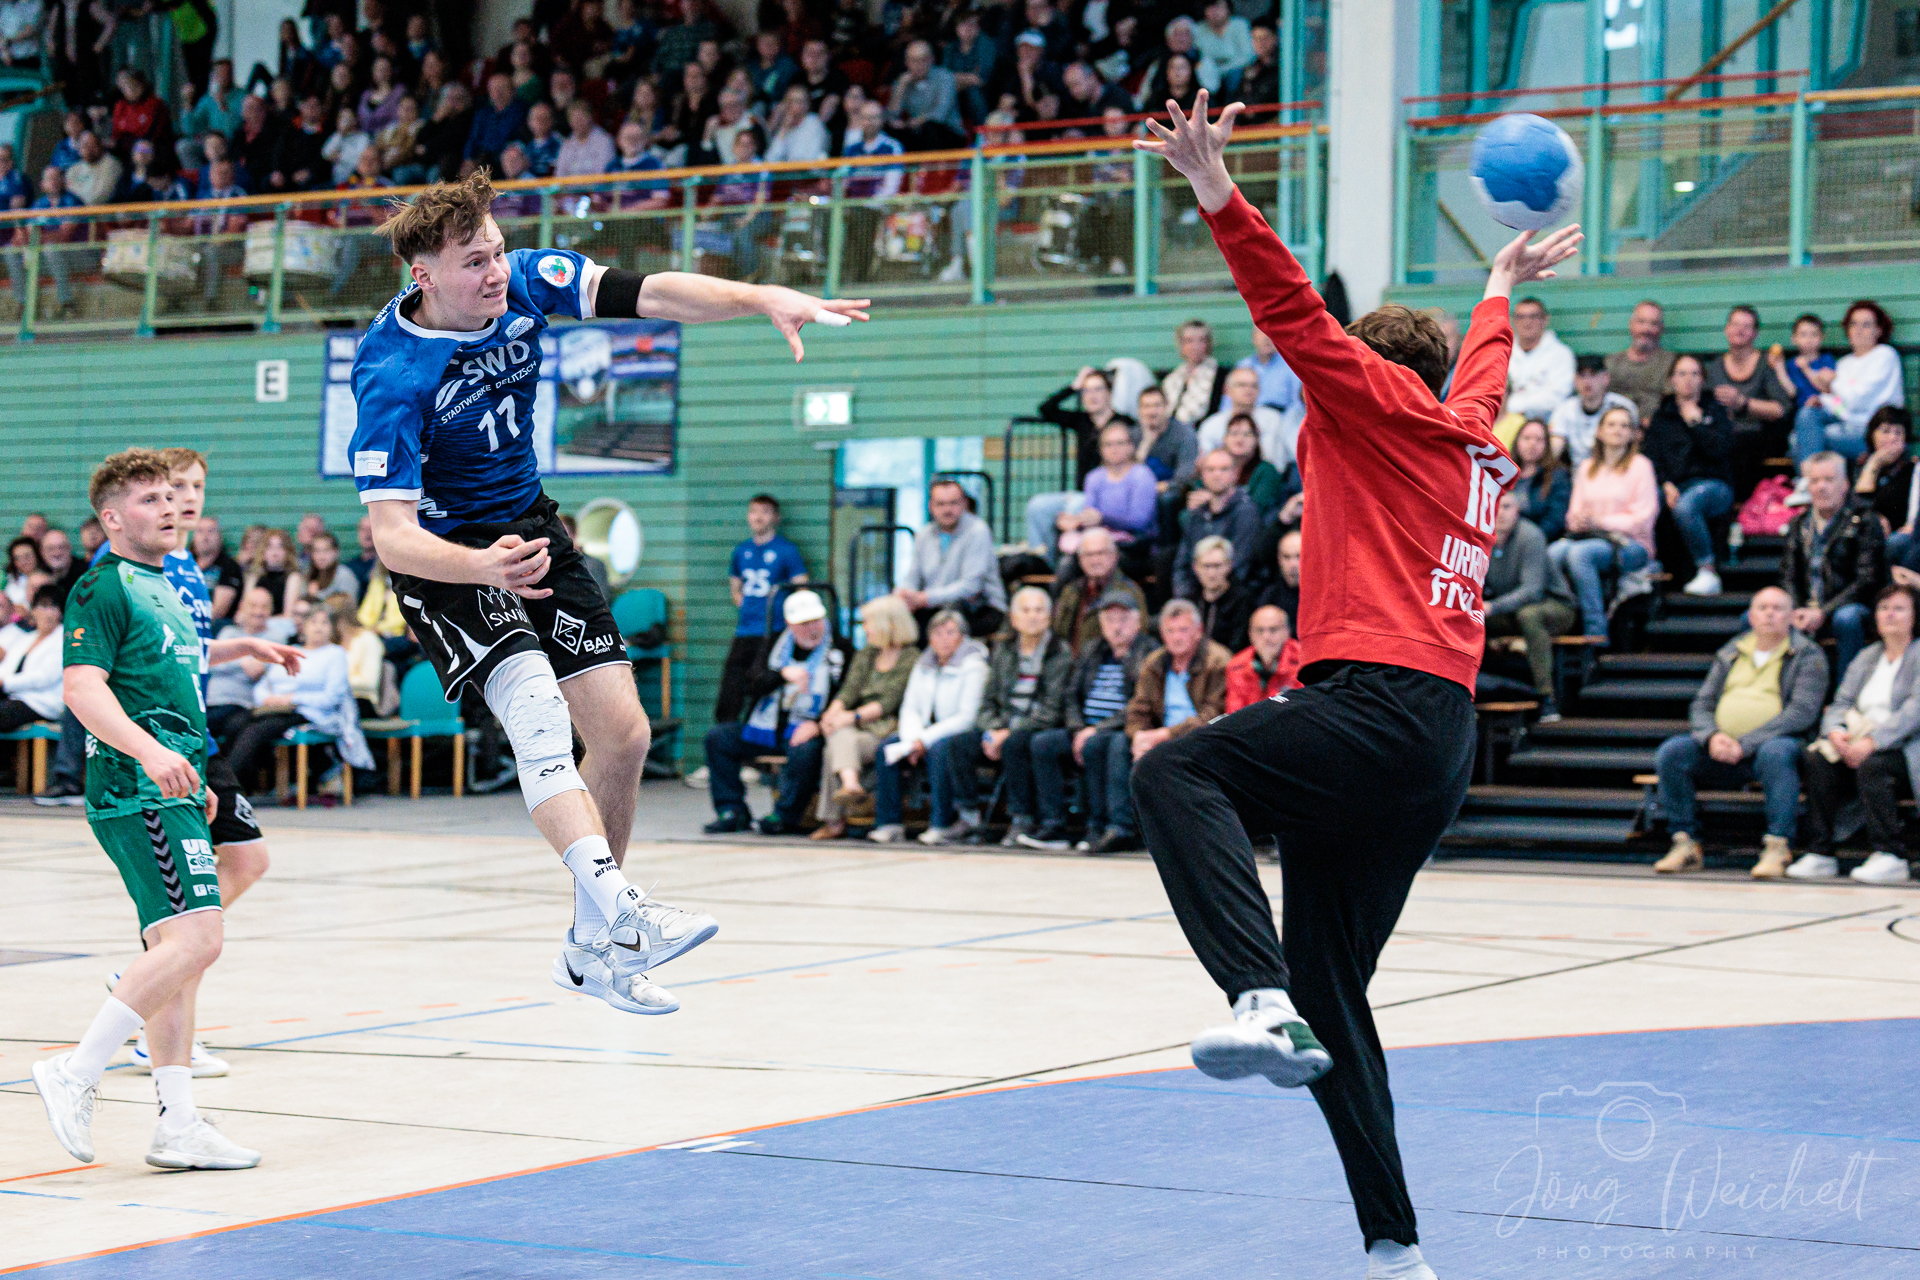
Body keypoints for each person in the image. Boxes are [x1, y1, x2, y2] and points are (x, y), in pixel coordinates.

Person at [1129, 92, 1578, 1280]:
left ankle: (1251, 992)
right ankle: (1395, 1246)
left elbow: (1289, 310)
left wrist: (1216, 189)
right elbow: (1485, 368)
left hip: (1372, 703)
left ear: (1369, 379)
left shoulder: (1369, 402)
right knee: (1339, 1003)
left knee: (1176, 765)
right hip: (1434, 751)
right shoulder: (1469, 432)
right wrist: (1499, 282)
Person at [351, 171, 865, 1015]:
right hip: (448, 556)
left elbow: (652, 292)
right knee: (538, 718)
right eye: (474, 261)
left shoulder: (523, 282)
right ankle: (626, 914)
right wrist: (484, 570)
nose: (495, 271)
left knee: (623, 736)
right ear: (424, 277)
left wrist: (758, 294)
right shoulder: (391, 372)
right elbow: (393, 534)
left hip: (530, 523)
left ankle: (593, 950)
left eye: (498, 251)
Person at [31, 450, 287, 1173]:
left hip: (176, 787)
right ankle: (74, 1070)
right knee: (198, 941)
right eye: (149, 500)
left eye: (173, 498)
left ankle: (178, 1125)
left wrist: (197, 775)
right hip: (132, 789)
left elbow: (176, 692)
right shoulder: (103, 588)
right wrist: (149, 755)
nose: (169, 508)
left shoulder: (166, 587)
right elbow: (83, 689)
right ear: (112, 517)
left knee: (176, 957)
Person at [1652, 586, 1826, 880]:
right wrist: (1711, 737)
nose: (1769, 613)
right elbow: (1702, 704)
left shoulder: (1808, 655)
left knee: (1777, 752)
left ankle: (1777, 846)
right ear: (1751, 615)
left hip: (1772, 745)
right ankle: (1685, 844)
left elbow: (1801, 713)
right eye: (1762, 607)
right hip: (1723, 746)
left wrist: (1745, 744)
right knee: (1673, 752)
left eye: (1778, 608)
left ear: (1793, 616)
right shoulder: (1732, 651)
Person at [1794, 584, 1920, 886]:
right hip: (1857, 741)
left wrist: (1874, 742)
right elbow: (1841, 703)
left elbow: (1915, 711)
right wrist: (1836, 732)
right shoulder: (1867, 656)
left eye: (1899, 608)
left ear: (1915, 616)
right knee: (1815, 758)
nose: (1889, 614)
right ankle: (1821, 852)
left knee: (1875, 764)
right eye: (1883, 608)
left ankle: (1890, 854)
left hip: (1905, 747)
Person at [703, 590, 845, 836]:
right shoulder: (773, 645)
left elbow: (846, 695)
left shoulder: (841, 649)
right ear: (790, 624)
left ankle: (785, 816)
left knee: (806, 750)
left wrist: (819, 724)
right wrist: (781, 676)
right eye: (803, 623)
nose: (812, 628)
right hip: (765, 728)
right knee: (718, 738)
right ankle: (732, 810)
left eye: (816, 621)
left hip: (809, 728)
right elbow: (751, 684)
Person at [1022, 589, 1156, 851]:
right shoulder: (1092, 649)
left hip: (1121, 728)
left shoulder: (1148, 653)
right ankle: (1053, 825)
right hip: (1085, 728)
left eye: (1123, 619)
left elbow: (1139, 703)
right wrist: (1078, 728)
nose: (1116, 627)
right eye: (1109, 620)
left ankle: (1100, 826)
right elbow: (1071, 694)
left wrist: (1095, 730)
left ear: (1137, 622)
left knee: (1100, 745)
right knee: (1042, 743)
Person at [868, 609, 990, 844]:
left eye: (950, 632)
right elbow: (910, 707)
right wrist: (911, 740)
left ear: (962, 637)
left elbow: (967, 717)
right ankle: (889, 823)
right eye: (937, 633)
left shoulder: (975, 666)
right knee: (888, 748)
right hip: (922, 733)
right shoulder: (923, 663)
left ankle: (941, 824)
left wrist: (922, 741)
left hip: (959, 734)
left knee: (940, 750)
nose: (943, 639)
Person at [1119, 599, 1230, 852]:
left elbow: (1214, 713)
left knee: (1173, 755)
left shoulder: (1218, 660)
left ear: (1198, 631)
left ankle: (1184, 835)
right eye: (1170, 631)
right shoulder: (1155, 662)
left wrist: (1165, 735)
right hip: (1161, 734)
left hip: (1201, 735)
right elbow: (1138, 708)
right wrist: (1139, 736)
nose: (1176, 637)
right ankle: (1121, 827)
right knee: (1115, 746)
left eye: (1183, 630)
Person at [808, 594, 919, 839]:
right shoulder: (867, 654)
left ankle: (834, 820)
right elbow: (849, 690)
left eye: (869, 622)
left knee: (837, 742)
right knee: (837, 738)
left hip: (886, 729)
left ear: (890, 624)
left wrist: (847, 718)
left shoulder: (911, 657)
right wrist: (831, 714)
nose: (865, 628)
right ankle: (850, 785)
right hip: (856, 728)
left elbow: (888, 703)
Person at [978, 586, 1075, 846]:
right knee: (956, 744)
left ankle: (1024, 820)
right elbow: (987, 702)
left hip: (1039, 727)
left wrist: (1007, 733)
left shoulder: (1059, 652)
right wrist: (992, 730)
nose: (1032, 616)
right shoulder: (1003, 651)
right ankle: (965, 820)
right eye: (1026, 610)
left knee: (1019, 742)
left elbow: (1051, 711)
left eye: (1039, 610)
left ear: (1049, 616)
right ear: (1014, 617)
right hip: (1004, 727)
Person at [1782, 451, 1886, 684]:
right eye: (1815, 481)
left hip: (1849, 606)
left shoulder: (1864, 521)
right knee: (1754, 617)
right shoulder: (1798, 523)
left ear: (1845, 485)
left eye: (1828, 480)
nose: (1821, 487)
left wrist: (1823, 612)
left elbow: (1867, 579)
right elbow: (1788, 574)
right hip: (1806, 607)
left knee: (1846, 618)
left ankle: (1844, 692)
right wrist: (1796, 609)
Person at [1554, 406, 1657, 640]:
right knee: (1553, 553)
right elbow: (1573, 513)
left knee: (1580, 555)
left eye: (1624, 426)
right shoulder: (1587, 467)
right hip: (1589, 537)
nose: (1617, 430)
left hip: (1631, 544)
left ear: (1632, 434)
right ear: (1599, 432)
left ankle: (1596, 630)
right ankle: (1566, 619)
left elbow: (1643, 518)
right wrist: (1577, 521)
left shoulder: (1641, 466)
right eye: (1611, 424)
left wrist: (1599, 522)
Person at [1643, 354, 1735, 598]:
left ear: (1702, 379)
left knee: (1685, 506)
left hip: (1714, 485)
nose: (1688, 380)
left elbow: (1721, 451)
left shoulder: (1715, 411)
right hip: (1674, 484)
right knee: (1646, 504)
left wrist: (1697, 424)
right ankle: (1646, 568)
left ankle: (1707, 570)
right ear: (1672, 379)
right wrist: (1665, 484)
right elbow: (1650, 458)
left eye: (1695, 374)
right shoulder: (1662, 417)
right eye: (1682, 373)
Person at [1025, 366, 1139, 563]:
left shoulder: (1124, 423)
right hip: (1079, 492)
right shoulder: (1082, 421)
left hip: (1107, 495)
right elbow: (1046, 409)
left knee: (1076, 506)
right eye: (1086, 390)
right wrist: (1073, 386)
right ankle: (1044, 564)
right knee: (1037, 506)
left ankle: (1069, 563)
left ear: (1110, 393)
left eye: (1098, 389)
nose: (1091, 395)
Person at [1482, 490, 1577, 720]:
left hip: (1556, 607)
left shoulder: (1531, 536)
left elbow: (1532, 590)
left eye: (1507, 507)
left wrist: (1492, 607)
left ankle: (1547, 698)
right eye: (1495, 506)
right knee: (1471, 619)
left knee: (1529, 615)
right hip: (1510, 609)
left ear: (1518, 511)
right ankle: (1475, 691)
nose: (1500, 513)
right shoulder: (1481, 537)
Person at [717, 494, 809, 724]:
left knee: (761, 684)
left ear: (776, 517)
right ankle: (723, 738)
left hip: (774, 631)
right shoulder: (741, 551)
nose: (758, 517)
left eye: (765, 511)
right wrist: (745, 605)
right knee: (730, 689)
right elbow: (736, 586)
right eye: (754, 511)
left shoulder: (786, 550)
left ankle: (756, 744)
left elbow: (802, 588)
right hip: (745, 631)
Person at [1792, 300, 1904, 466]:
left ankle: (1808, 484)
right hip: (1845, 423)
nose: (1858, 330)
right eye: (1853, 324)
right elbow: (1841, 404)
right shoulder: (1845, 363)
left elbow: (1856, 400)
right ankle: (1814, 483)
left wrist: (1833, 382)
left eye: (1866, 325)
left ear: (1879, 330)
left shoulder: (1885, 355)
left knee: (1797, 441)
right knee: (1807, 414)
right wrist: (1822, 401)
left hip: (1872, 432)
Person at [895, 478, 1007, 640]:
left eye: (953, 503)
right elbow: (913, 578)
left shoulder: (978, 531)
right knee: (898, 620)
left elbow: (971, 587)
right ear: (931, 506)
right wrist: (904, 594)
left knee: (940, 624)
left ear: (964, 504)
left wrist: (925, 599)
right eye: (941, 504)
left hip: (980, 608)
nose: (947, 509)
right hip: (936, 607)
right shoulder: (924, 535)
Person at [1704, 305, 1793, 498]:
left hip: (1761, 434)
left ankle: (1742, 510)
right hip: (1725, 434)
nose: (1740, 330)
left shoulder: (1766, 363)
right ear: (1727, 329)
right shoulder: (1715, 367)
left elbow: (1781, 409)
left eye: (1746, 326)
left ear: (1755, 333)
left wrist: (1743, 403)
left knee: (1737, 447)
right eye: (1735, 324)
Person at [1173, 449, 1262, 596]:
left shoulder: (1246, 512)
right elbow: (1182, 564)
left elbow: (1241, 564)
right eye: (1210, 469)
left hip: (1232, 597)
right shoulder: (1196, 514)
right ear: (1202, 475)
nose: (1216, 474)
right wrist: (1184, 597)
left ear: (1236, 473)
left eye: (1224, 469)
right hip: (1198, 595)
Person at [1061, 420, 1159, 552]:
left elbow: (1139, 521)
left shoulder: (1142, 475)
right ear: (1101, 449)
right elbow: (1090, 513)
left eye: (1120, 443)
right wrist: (1076, 522)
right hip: (1099, 539)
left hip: (1134, 544)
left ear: (1131, 446)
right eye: (1108, 444)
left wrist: (1103, 519)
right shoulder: (1094, 477)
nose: (1114, 449)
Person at [1050, 528, 1149, 650]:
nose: (1095, 560)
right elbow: (1059, 632)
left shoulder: (1130, 592)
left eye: (1101, 553)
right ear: (1080, 559)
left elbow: (1141, 637)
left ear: (1114, 556)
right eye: (1089, 554)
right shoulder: (1070, 591)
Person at [1196, 365, 1293, 475]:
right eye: (1241, 385)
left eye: (1254, 386)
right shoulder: (1211, 424)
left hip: (1266, 479)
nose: (1248, 390)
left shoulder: (1274, 419)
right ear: (1227, 390)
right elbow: (1205, 465)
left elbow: (1282, 461)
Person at [1500, 296, 1574, 437]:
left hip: (1547, 428)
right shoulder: (1503, 352)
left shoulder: (1561, 354)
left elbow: (1557, 397)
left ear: (1545, 319)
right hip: (1505, 426)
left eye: (1533, 316)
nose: (1527, 322)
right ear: (1513, 321)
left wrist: (1513, 405)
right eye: (1521, 317)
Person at [1547, 354, 1637, 468]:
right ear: (1575, 379)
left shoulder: (1624, 406)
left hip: (1618, 470)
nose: (1587, 381)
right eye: (1582, 375)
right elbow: (1555, 448)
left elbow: (1633, 446)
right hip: (1577, 475)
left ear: (1606, 378)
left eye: (1593, 375)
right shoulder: (1564, 409)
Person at [1859, 409, 1919, 573]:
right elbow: (1858, 507)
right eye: (1885, 431)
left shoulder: (1913, 470)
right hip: (1865, 538)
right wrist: (1874, 463)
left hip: (1900, 539)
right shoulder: (1859, 468)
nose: (1892, 438)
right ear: (1872, 434)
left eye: (1898, 433)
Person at [0, 584, 63, 733]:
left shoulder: (62, 639)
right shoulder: (26, 638)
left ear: (60, 613)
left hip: (43, 703)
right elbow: (8, 667)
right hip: (15, 698)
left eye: (53, 607)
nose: (48, 613)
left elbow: (44, 677)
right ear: (34, 610)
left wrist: (5, 683)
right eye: (43, 606)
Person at [1605, 299, 1677, 425]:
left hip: (1656, 430)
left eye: (1653, 324)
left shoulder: (1671, 364)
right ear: (1631, 325)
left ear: (1661, 328)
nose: (1646, 329)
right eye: (1641, 322)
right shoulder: (1611, 363)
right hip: (1617, 430)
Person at [1182, 534, 1253, 652]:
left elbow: (1239, 645)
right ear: (1195, 567)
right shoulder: (1189, 601)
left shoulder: (1243, 601)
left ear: (1229, 566)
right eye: (1206, 566)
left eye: (1217, 566)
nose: (1211, 573)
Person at [1224, 603, 1300, 712]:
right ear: (1250, 634)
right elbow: (1234, 713)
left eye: (1273, 630)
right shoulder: (1236, 666)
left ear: (1287, 631)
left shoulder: (1303, 661)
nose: (1266, 637)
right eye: (1260, 630)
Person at [1220, 413, 1292, 518]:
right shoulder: (1215, 468)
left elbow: (1257, 510)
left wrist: (1218, 502)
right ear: (1224, 439)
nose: (1239, 439)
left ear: (1256, 440)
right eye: (1234, 433)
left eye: (1247, 434)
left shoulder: (1267, 472)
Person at [1507, 418, 1568, 541]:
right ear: (1517, 441)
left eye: (1539, 440)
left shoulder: (1558, 476)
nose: (1532, 444)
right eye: (1527, 438)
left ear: (1547, 445)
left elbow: (1555, 520)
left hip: (1537, 540)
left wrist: (1530, 539)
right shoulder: (1505, 472)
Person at [1160, 318, 1226, 426]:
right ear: (1181, 345)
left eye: (1202, 340)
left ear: (1209, 343)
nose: (1195, 347)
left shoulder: (1220, 376)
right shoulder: (1172, 377)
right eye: (1189, 341)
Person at [1767, 312, 1835, 412]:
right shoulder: (1791, 364)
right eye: (1803, 335)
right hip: (1801, 412)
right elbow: (1792, 392)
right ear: (1794, 339)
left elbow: (1827, 389)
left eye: (1814, 334)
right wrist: (1779, 366)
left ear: (1822, 338)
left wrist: (1806, 369)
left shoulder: (1827, 360)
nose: (1809, 339)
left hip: (1826, 409)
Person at [1255, 526, 1302, 623]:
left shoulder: (1324, 597)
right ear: (1279, 560)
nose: (1293, 564)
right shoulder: (1269, 597)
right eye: (1286, 557)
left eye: (1299, 556)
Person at [300, 530, 359, 606]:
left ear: (336, 552)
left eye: (326, 550)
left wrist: (315, 597)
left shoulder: (344, 575)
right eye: (317, 551)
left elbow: (346, 610)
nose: (321, 556)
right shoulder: (308, 574)